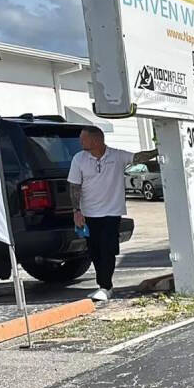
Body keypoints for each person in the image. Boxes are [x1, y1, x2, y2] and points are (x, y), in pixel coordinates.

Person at [68, 126, 133, 302]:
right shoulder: (79, 159)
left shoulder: (117, 156)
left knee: (107, 249)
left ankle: (106, 286)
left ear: (97, 140)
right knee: (94, 250)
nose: (80, 142)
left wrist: (160, 150)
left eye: (84, 139)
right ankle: (103, 285)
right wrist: (77, 211)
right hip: (89, 213)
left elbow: (137, 157)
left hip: (112, 212)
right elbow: (74, 186)